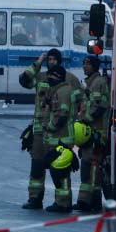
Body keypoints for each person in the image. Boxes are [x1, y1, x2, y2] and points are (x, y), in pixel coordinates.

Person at [19, 48, 81, 209]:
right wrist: (37, 64)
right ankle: (35, 198)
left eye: (54, 59)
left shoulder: (70, 80)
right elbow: (24, 80)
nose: (51, 62)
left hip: (59, 132)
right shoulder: (40, 77)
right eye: (49, 59)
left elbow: (81, 101)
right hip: (40, 131)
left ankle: (63, 201)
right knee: (37, 164)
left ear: (59, 61)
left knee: (59, 167)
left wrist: (74, 120)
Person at [74, 55, 110, 211]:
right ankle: (86, 200)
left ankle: (90, 202)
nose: (84, 66)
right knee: (88, 166)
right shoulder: (89, 83)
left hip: (96, 132)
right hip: (88, 132)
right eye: (83, 64)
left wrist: (85, 120)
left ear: (95, 66)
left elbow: (101, 107)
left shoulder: (99, 83)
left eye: (87, 64)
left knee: (92, 167)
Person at [43, 64, 76, 213]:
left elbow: (62, 114)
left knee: (61, 172)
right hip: (59, 138)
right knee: (58, 171)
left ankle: (63, 203)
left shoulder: (63, 92)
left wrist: (50, 127)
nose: (48, 78)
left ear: (57, 76)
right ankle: (61, 201)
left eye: (51, 75)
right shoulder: (59, 90)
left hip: (62, 138)